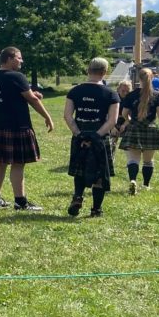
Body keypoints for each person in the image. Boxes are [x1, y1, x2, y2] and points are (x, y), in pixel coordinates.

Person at [0, 47, 54, 210]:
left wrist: (31, 94)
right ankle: (21, 203)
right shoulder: (17, 76)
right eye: (19, 58)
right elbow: (32, 100)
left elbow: (13, 94)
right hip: (17, 126)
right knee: (18, 163)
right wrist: (47, 117)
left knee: (0, 163)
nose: (22, 61)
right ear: (9, 58)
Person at [62, 58, 120, 218]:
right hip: (100, 136)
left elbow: (67, 116)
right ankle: (96, 209)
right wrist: (96, 135)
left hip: (80, 134)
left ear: (88, 71)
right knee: (100, 173)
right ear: (104, 72)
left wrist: (79, 134)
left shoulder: (75, 91)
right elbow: (112, 120)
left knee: (79, 169)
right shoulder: (111, 93)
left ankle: (78, 197)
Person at [118, 67, 159, 194]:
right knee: (148, 161)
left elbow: (124, 113)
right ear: (151, 78)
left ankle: (133, 180)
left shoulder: (131, 95)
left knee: (133, 160)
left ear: (138, 79)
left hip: (134, 128)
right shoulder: (157, 95)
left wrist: (129, 119)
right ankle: (146, 185)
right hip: (150, 129)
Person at [109, 80, 132, 152]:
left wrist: (125, 124)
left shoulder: (131, 99)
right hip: (112, 121)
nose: (125, 93)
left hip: (127, 121)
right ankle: (111, 158)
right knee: (111, 143)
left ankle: (131, 158)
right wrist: (112, 127)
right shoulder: (112, 98)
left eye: (127, 91)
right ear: (118, 89)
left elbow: (132, 115)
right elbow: (107, 114)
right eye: (123, 91)